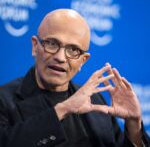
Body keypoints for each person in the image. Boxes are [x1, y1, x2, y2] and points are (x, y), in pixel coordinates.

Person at [0, 9, 149, 147]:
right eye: (52, 44)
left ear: (83, 61)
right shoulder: (4, 100)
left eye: (73, 50)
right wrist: (64, 108)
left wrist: (134, 124)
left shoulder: (96, 102)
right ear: (35, 46)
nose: (60, 57)